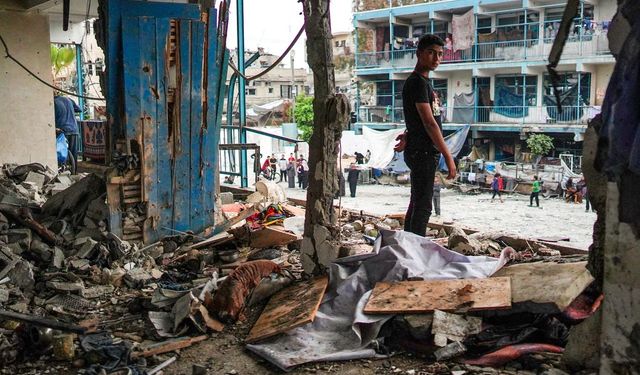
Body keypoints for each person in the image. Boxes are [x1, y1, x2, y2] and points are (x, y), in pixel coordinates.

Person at [395, 34, 456, 237]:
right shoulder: (418, 83)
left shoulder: (423, 83)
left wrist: (407, 134)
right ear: (419, 54)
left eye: (440, 54)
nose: (436, 58)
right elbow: (429, 123)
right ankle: (415, 252)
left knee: (417, 201)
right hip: (423, 152)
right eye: (431, 53)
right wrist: (448, 155)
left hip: (420, 148)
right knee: (423, 206)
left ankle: (409, 247)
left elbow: (417, 119)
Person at [54, 94, 81, 163]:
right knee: (74, 154)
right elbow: (79, 109)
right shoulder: (68, 99)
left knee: (62, 153)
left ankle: (64, 170)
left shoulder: (53, 102)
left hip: (62, 131)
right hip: (74, 129)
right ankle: (74, 172)